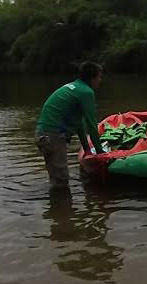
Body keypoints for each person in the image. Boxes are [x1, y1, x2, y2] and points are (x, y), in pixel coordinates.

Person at [35, 61, 104, 195]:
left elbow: (79, 124)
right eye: (99, 77)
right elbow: (91, 124)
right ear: (92, 78)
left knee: (56, 177)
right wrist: (101, 153)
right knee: (61, 182)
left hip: (42, 134)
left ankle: (58, 211)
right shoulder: (86, 92)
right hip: (53, 135)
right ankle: (62, 211)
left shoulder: (75, 87)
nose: (100, 80)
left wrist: (87, 149)